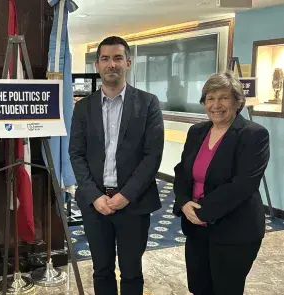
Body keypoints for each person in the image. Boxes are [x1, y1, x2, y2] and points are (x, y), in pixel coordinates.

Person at [69, 36, 164, 295]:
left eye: (118, 58)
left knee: (132, 271)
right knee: (101, 270)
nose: (112, 64)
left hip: (133, 204)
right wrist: (94, 195)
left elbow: (152, 156)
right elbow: (76, 154)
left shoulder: (148, 103)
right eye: (106, 59)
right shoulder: (83, 108)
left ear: (128, 63)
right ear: (97, 65)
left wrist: (125, 196)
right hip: (95, 204)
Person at [173, 71, 270, 295]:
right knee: (199, 287)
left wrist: (202, 211)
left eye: (224, 97)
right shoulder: (197, 131)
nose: (216, 104)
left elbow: (243, 184)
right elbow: (182, 172)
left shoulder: (254, 134)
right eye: (210, 98)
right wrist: (184, 201)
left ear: (237, 101)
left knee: (226, 289)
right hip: (196, 227)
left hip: (235, 230)